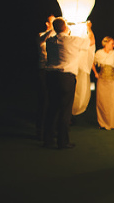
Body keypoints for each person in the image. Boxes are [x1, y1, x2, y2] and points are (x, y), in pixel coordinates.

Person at [40, 17, 95, 149]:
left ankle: (47, 139)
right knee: (65, 110)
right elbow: (91, 41)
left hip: (51, 76)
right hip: (66, 77)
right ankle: (62, 141)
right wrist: (88, 28)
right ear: (65, 27)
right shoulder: (72, 40)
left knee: (52, 109)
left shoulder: (50, 41)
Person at [92, 36, 114, 130]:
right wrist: (95, 73)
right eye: (112, 43)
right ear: (106, 43)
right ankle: (103, 123)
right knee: (102, 102)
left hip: (112, 80)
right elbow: (92, 62)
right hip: (102, 80)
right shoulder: (99, 53)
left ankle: (113, 123)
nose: (113, 45)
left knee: (112, 101)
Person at [36, 15, 56, 140]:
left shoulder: (56, 37)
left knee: (53, 101)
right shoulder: (41, 34)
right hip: (43, 70)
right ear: (47, 24)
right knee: (44, 100)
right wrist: (51, 30)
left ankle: (51, 130)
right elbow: (42, 40)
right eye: (52, 22)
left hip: (53, 71)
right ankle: (40, 130)